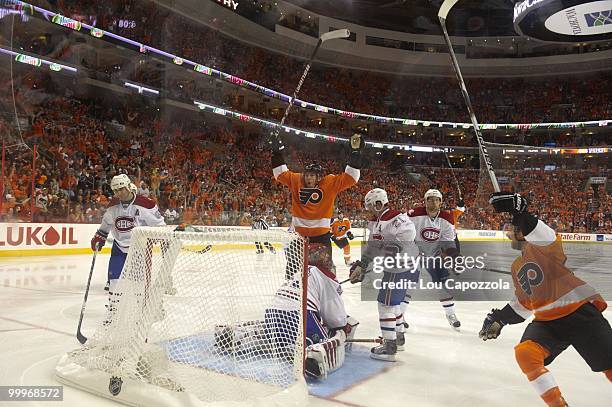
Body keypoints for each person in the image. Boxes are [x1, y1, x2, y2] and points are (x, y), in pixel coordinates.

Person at [479, 192, 612, 407]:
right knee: (525, 353)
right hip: (547, 322)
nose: (506, 236)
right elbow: (524, 303)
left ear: (520, 232)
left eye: (508, 231)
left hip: (579, 313)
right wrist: (501, 318)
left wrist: (520, 212)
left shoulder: (544, 248)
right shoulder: (516, 266)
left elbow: (543, 233)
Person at [349, 188, 419, 361]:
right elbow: (373, 247)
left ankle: (389, 347)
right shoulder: (376, 221)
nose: (370, 210)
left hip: (400, 269)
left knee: (385, 304)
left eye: (371, 206)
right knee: (395, 305)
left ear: (379, 203)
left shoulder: (396, 217)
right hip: (404, 268)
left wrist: (395, 247)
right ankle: (399, 338)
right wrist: (363, 265)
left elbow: (409, 233)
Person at [91, 174, 166, 323]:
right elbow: (106, 225)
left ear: (128, 186)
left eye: (121, 189)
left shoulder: (146, 204)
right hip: (119, 247)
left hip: (140, 248)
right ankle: (113, 313)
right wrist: (100, 236)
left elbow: (159, 224)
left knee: (140, 284)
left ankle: (142, 312)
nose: (118, 193)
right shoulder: (113, 206)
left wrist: (161, 237)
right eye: (115, 190)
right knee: (114, 282)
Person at [271, 133, 364, 251]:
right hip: (298, 236)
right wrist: (276, 153)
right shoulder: (297, 180)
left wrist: (356, 154)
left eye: (312, 176)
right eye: (308, 175)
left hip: (322, 237)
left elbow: (351, 178)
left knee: (323, 269)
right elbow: (279, 173)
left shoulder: (329, 183)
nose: (309, 178)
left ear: (319, 177)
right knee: (293, 269)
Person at [407, 189, 462, 329]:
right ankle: (399, 315)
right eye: (430, 199)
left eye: (436, 199)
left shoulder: (447, 218)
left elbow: (449, 241)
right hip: (415, 255)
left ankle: (450, 314)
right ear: (425, 201)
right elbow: (402, 231)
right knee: (407, 284)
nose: (433, 202)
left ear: (441, 202)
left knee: (442, 285)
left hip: (434, 256)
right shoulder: (413, 214)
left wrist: (454, 255)